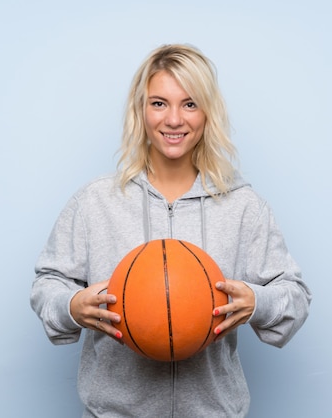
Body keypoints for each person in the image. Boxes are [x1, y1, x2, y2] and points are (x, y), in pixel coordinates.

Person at [31, 44, 312, 417]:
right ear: (140, 111)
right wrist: (71, 306)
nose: (174, 119)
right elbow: (47, 284)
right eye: (159, 103)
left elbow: (294, 297)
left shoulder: (244, 206)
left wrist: (256, 302)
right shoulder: (95, 201)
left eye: (190, 104)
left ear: (208, 112)